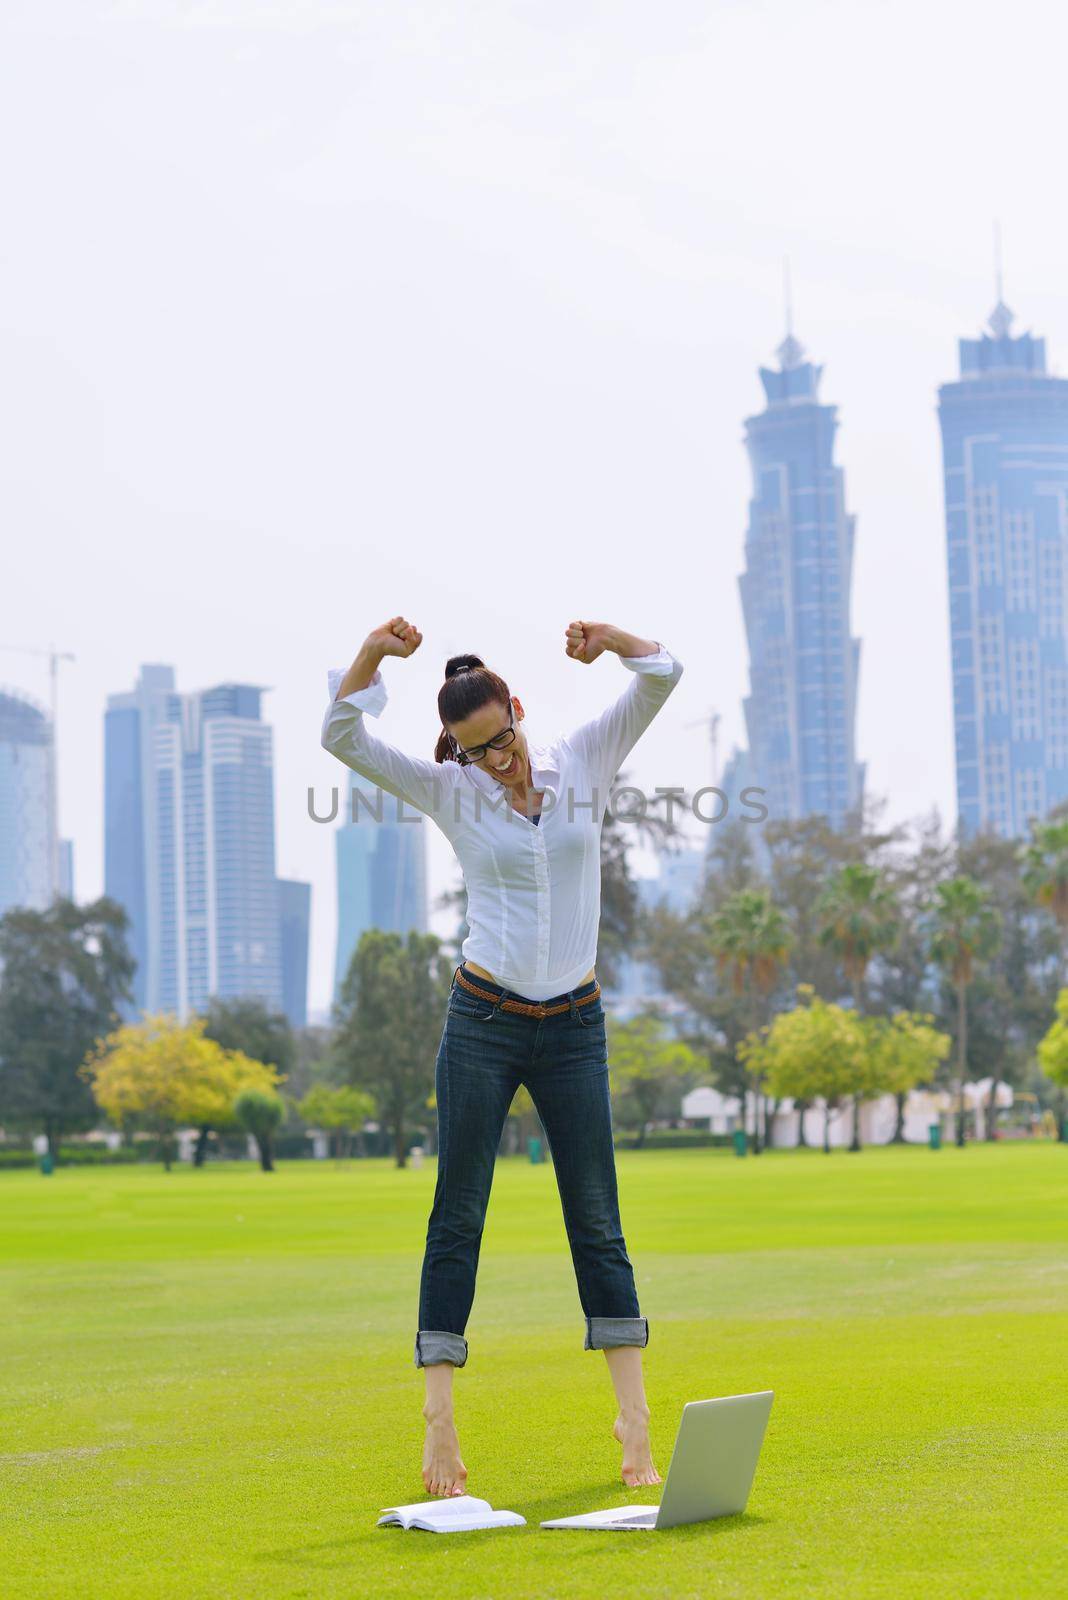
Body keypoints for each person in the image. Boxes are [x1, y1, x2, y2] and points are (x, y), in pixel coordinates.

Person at [320, 615, 684, 1497]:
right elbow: (339, 734)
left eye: (505, 739)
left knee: (597, 1219)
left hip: (575, 1026)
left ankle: (634, 1424)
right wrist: (372, 655)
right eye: (479, 752)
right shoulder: (452, 793)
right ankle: (439, 1429)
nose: (500, 761)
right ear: (458, 750)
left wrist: (609, 638)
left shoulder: (584, 761)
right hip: (482, 1021)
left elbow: (664, 674)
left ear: (519, 711)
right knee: (459, 1215)